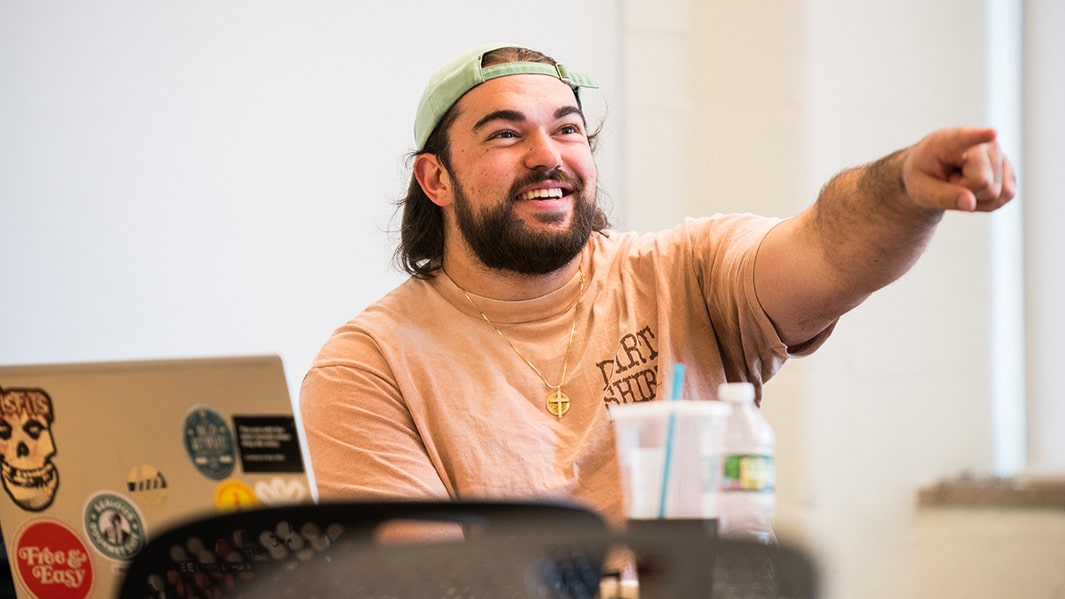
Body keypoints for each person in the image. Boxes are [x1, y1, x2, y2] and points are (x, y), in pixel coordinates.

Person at [299, 44, 1015, 527]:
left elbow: (828, 249)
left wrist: (903, 186)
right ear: (435, 179)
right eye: (505, 135)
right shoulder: (369, 366)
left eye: (568, 129)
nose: (549, 157)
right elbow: (424, 587)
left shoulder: (687, 272)